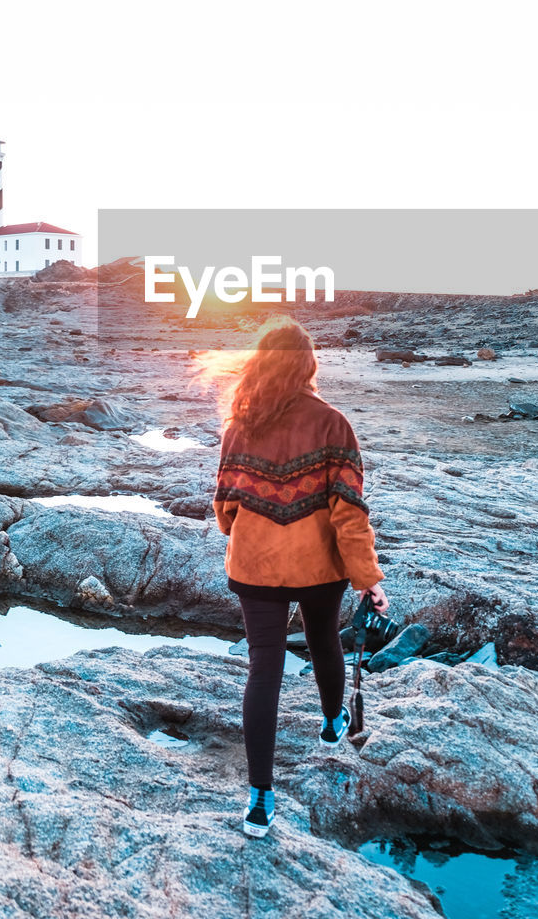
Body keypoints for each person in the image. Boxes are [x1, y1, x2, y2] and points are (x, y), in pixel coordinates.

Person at [212, 316, 388, 839]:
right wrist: (367, 578)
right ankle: (333, 725)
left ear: (260, 364)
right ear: (308, 366)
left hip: (256, 566)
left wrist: (252, 525)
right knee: (323, 640)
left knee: (263, 670)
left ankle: (259, 800)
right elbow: (350, 513)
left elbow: (224, 509)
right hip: (319, 568)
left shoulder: (240, 424)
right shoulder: (334, 424)